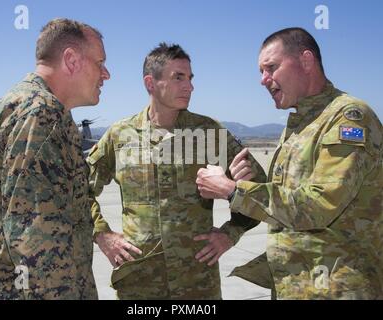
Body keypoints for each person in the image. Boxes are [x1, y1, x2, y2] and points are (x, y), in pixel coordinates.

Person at [196, 27, 383, 299]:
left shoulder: (348, 118)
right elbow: (288, 198)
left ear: (306, 61)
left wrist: (232, 191)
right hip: (296, 285)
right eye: (261, 71)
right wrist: (243, 183)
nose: (263, 80)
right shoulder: (301, 124)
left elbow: (319, 205)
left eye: (270, 67)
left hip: (336, 289)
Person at [87, 43, 266, 299]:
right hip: (140, 284)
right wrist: (102, 235)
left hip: (197, 284)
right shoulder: (120, 136)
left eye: (190, 78)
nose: (189, 86)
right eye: (178, 77)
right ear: (150, 83)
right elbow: (77, 190)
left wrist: (230, 234)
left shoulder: (209, 133)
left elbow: (260, 190)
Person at [0, 18, 110, 299]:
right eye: (100, 62)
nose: (106, 74)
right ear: (71, 60)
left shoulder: (16, 105)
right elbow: (37, 242)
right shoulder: (42, 115)